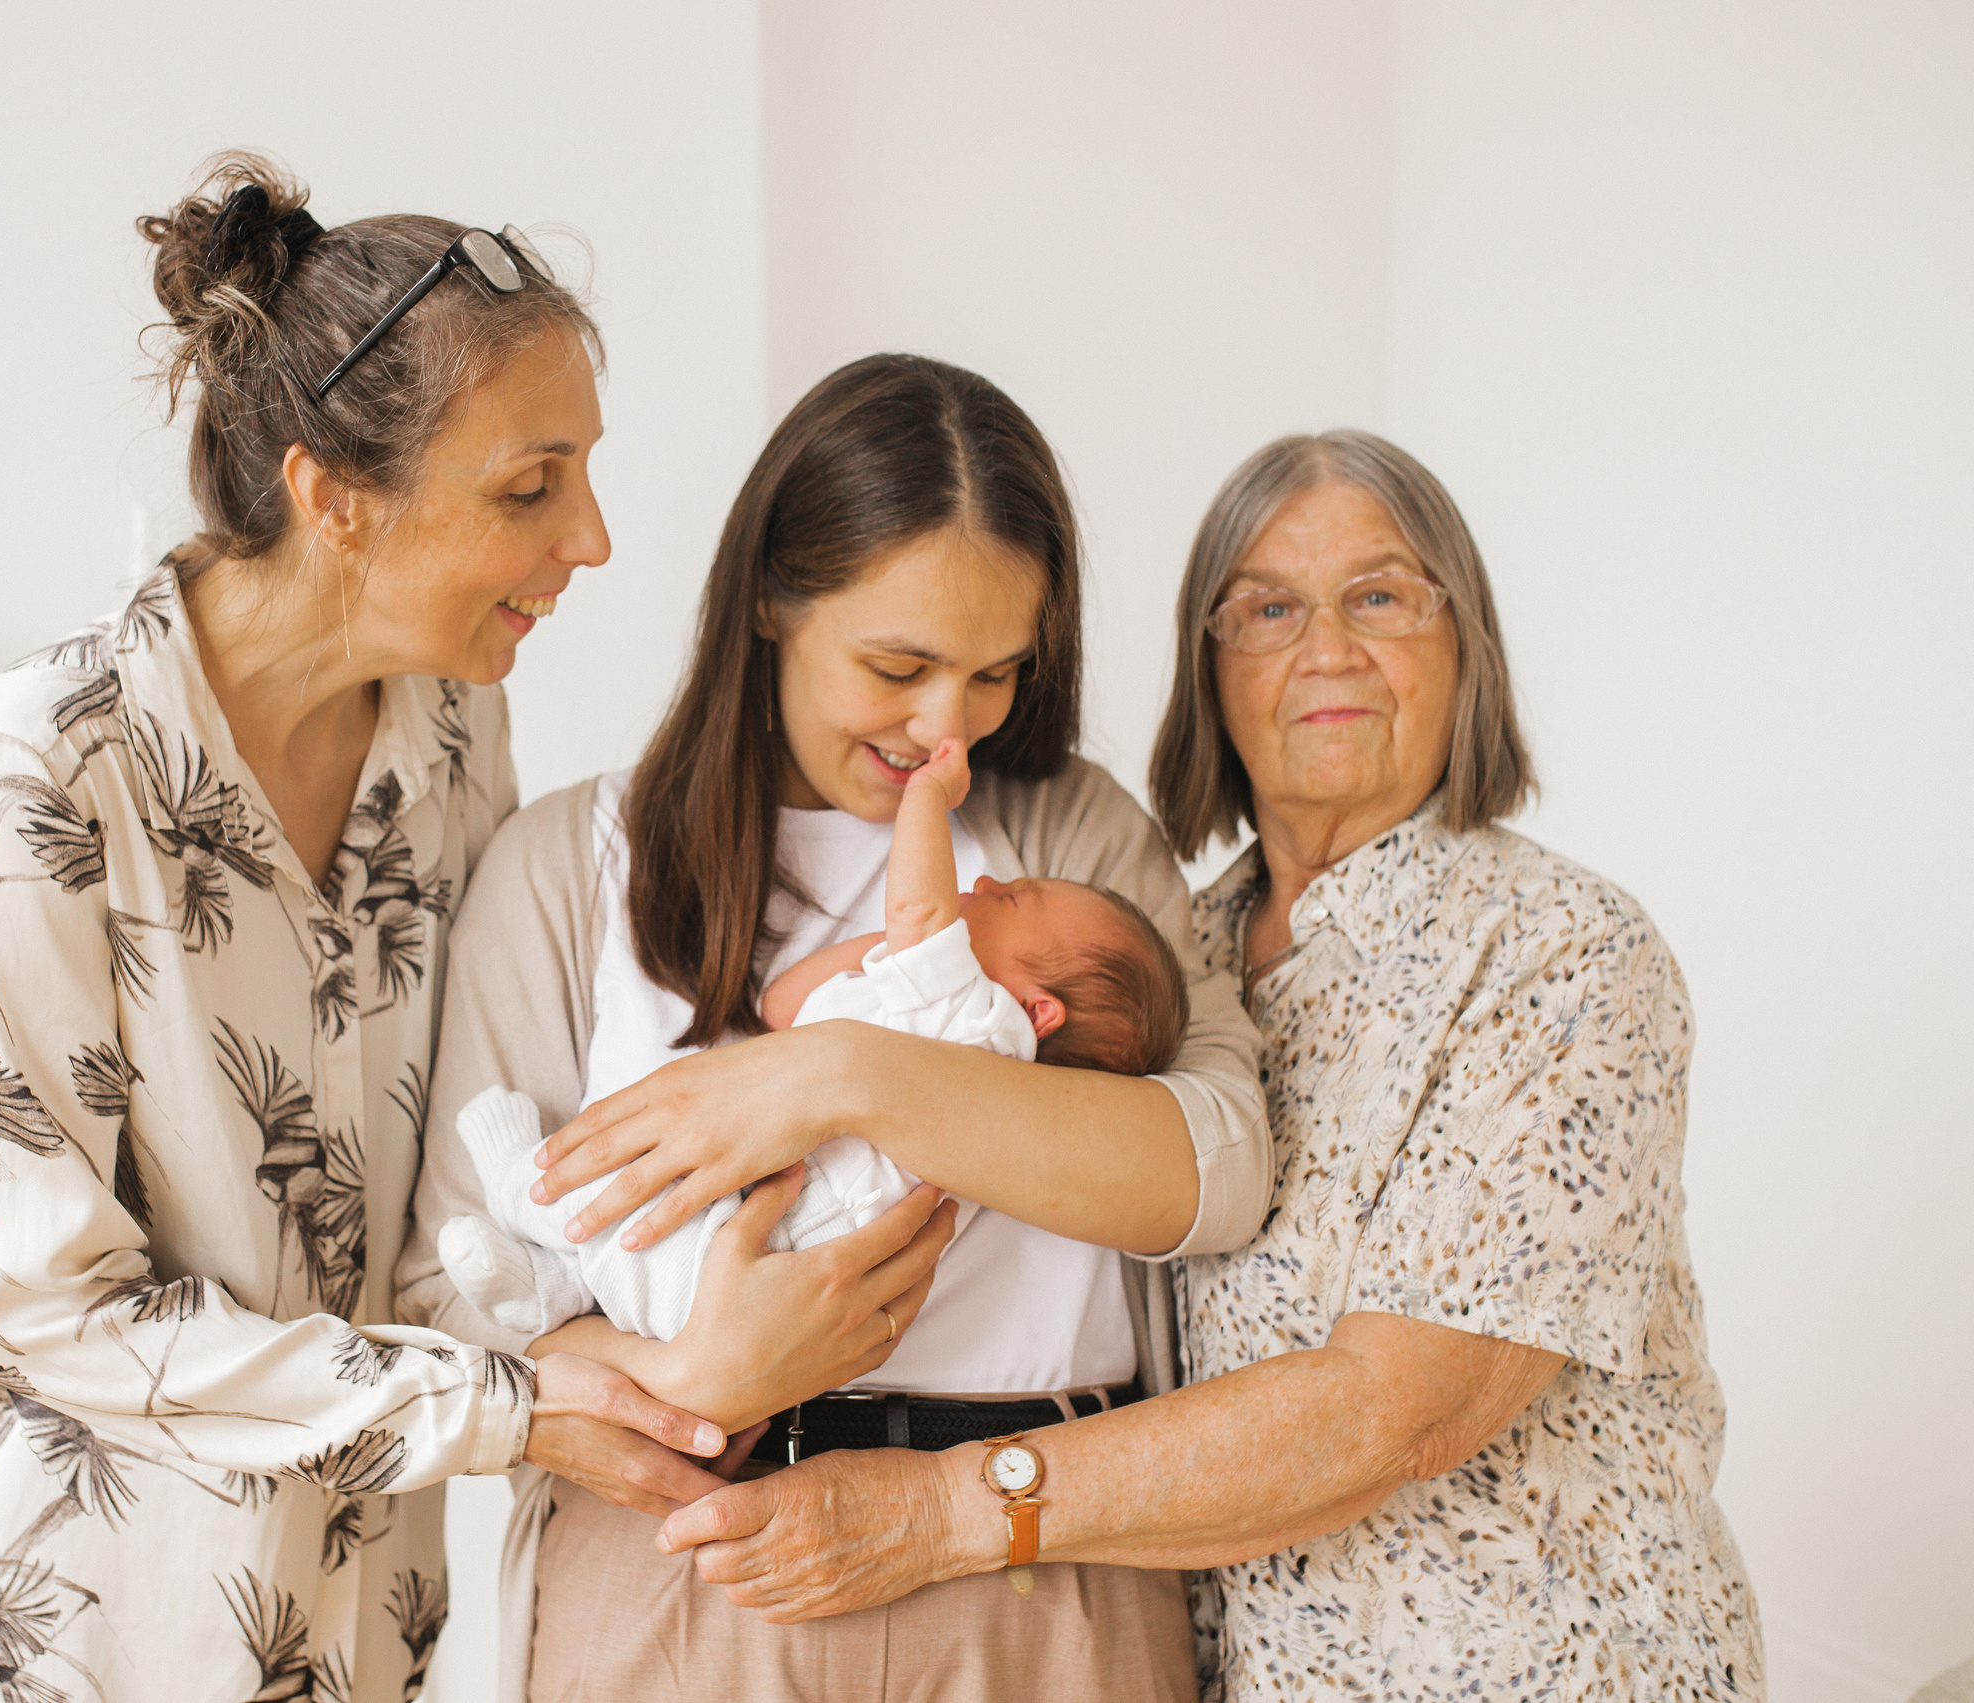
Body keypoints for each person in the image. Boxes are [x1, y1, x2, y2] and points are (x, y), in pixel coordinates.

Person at [0, 152, 944, 1703]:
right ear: (332, 498)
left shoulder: (447, 735)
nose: (594, 539)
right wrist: (518, 1403)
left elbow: (464, 1163)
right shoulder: (39, 772)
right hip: (73, 1635)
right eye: (528, 486)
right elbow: (50, 1307)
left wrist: (683, 1310)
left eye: (584, 471)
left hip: (354, 1628)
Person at [645, 430, 1764, 1700]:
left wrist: (947, 1506)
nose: (1326, 647)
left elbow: (1400, 1410)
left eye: (1382, 595)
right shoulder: (1180, 950)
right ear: (1207, 666)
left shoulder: (1561, 954)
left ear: (1468, 646)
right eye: (1267, 607)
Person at [397, 353, 1273, 1702]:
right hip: (692, 1567)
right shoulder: (570, 865)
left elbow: (1212, 1166)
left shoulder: (1060, 838)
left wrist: (832, 1072)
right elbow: (451, 1295)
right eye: (899, 664)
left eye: (995, 672)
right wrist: (690, 1374)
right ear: (768, 603)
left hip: (1034, 1572)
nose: (947, 730)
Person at [435, 731, 1188, 1341]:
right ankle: (554, 1289)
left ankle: (515, 1185)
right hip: (764, 1254)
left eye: (1017, 898)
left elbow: (920, 913)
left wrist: (926, 798)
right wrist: (872, 961)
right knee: (641, 1245)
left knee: (620, 1193)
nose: (989, 883)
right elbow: (789, 1006)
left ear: (1040, 1011)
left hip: (755, 1251)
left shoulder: (984, 1024)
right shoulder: (944, 1028)